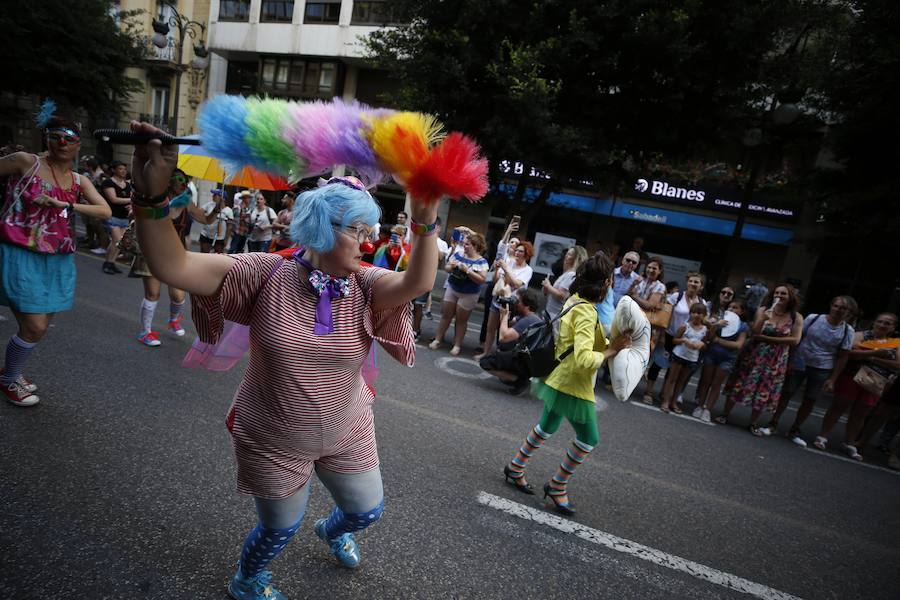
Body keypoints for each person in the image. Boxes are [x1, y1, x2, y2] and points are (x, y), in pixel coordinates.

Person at [128, 120, 440, 600]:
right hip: (273, 434)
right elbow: (174, 266)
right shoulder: (263, 272)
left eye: (369, 231)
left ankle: (334, 531)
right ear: (319, 227)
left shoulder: (365, 284)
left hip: (346, 423)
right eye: (356, 231)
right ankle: (247, 580)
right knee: (279, 528)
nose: (368, 242)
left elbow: (417, 283)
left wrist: (424, 223)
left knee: (366, 511)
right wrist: (149, 199)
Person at [0, 103, 112, 406]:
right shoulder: (26, 162)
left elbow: (105, 209)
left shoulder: (78, 181)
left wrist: (66, 205)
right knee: (34, 326)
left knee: (38, 327)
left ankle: (11, 369)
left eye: (69, 138)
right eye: (55, 135)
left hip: (58, 258)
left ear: (77, 144)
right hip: (19, 251)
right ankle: (9, 380)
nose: (62, 142)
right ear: (46, 138)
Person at [503, 255, 631, 515]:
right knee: (588, 439)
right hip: (574, 383)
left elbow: (577, 344)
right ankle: (557, 486)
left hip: (559, 375)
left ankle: (516, 467)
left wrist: (609, 345)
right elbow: (584, 359)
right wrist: (611, 351)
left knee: (547, 426)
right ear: (606, 283)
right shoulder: (586, 310)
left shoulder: (575, 300)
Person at [767, 295, 856, 446]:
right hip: (800, 361)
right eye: (836, 306)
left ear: (849, 312)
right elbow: (798, 338)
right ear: (831, 306)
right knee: (787, 393)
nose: (838, 310)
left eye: (843, 308)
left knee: (810, 399)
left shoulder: (848, 331)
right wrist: (790, 360)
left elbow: (842, 357)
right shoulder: (814, 319)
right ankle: (773, 423)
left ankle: (795, 429)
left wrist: (833, 378)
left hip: (822, 367)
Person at [717, 284, 803, 435]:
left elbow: (795, 340)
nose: (779, 296)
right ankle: (725, 414)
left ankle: (753, 422)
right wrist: (762, 319)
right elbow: (755, 332)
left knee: (765, 388)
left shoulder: (796, 317)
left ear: (790, 297)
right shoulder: (763, 310)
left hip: (776, 358)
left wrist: (767, 338)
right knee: (740, 381)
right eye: (777, 293)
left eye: (783, 294)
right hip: (754, 354)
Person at [815, 312, 899, 460]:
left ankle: (850, 443)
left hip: (876, 380)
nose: (883, 325)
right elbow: (850, 353)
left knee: (862, 412)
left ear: (893, 327)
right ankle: (823, 436)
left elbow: (898, 364)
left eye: (887, 323)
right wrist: (878, 353)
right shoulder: (860, 335)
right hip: (852, 375)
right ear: (874, 322)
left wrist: (871, 357)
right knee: (839, 405)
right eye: (880, 321)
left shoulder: (895, 343)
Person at [128, 170, 193, 345]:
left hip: (174, 253)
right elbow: (136, 215)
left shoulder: (186, 201)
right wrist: (164, 208)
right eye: (177, 179)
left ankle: (173, 320)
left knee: (178, 295)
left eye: (184, 180)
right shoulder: (155, 198)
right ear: (168, 182)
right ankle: (145, 332)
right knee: (153, 293)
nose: (182, 182)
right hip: (152, 249)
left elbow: (206, 219)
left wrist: (217, 210)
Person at [645, 272, 708, 404]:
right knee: (658, 363)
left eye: (696, 282)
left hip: (685, 340)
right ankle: (649, 392)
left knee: (672, 369)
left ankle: (663, 394)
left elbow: (703, 322)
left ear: (701, 286)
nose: (693, 284)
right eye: (691, 281)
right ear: (687, 282)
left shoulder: (702, 303)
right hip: (669, 334)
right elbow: (665, 314)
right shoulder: (676, 296)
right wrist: (661, 334)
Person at [429, 232, 489, 356]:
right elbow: (446, 268)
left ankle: (457, 345)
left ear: (475, 246)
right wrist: (452, 267)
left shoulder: (482, 262)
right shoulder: (459, 254)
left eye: (467, 244)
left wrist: (467, 270)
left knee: (461, 320)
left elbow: (482, 279)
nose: (464, 246)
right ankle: (438, 339)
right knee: (446, 315)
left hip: (469, 293)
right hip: (453, 287)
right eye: (464, 244)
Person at [476, 241, 534, 360]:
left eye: (521, 251)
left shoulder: (528, 270)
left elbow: (517, 284)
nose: (517, 253)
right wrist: (498, 270)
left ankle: (499, 356)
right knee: (490, 328)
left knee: (504, 332)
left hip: (511, 304)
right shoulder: (509, 262)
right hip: (498, 299)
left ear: (527, 254)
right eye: (517, 250)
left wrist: (506, 269)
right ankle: (486, 352)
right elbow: (495, 279)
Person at [478, 288, 544, 393]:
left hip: (526, 360)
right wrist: (506, 311)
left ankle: (519, 380)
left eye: (518, 301)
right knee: (504, 347)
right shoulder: (532, 317)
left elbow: (503, 337)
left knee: (486, 362)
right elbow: (510, 324)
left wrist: (504, 315)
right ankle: (516, 374)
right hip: (530, 359)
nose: (515, 303)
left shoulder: (528, 320)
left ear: (526, 306)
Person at [692, 300, 748, 422]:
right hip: (711, 354)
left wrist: (718, 341)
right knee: (706, 381)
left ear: (741, 311)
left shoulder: (742, 326)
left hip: (727, 358)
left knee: (716, 384)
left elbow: (738, 345)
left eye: (736, 307)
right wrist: (716, 325)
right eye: (730, 307)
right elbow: (710, 338)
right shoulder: (720, 321)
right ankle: (700, 406)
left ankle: (708, 409)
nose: (732, 309)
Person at [478, 218, 519, 352]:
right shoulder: (503, 257)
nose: (512, 245)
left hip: (507, 295)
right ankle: (484, 346)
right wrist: (508, 231)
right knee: (488, 320)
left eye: (516, 244)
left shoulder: (516, 263)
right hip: (495, 289)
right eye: (511, 242)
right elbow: (502, 245)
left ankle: (499, 350)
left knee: (503, 324)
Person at [661, 303, 708, 414]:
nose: (697, 315)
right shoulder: (684, 326)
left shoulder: (705, 330)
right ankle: (666, 401)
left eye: (700, 313)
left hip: (692, 358)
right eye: (694, 312)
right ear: (690, 313)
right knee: (672, 379)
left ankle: (674, 402)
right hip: (679, 355)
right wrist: (684, 341)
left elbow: (706, 344)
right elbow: (674, 340)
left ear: (704, 315)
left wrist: (701, 344)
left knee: (681, 381)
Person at [412, 217, 449, 339]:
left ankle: (416, 330)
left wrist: (432, 239)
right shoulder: (420, 237)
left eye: (434, 226)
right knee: (406, 304)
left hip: (427, 277)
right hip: (413, 274)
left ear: (438, 227)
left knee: (419, 305)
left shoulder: (442, 243)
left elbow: (439, 258)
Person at [99, 160, 133, 274]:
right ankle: (107, 264)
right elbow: (113, 199)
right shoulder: (108, 182)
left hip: (124, 217)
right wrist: (131, 200)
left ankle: (110, 263)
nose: (123, 171)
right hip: (111, 215)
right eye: (120, 169)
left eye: (124, 169)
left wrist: (131, 206)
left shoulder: (127, 185)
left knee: (118, 242)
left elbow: (131, 199)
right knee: (117, 240)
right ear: (113, 170)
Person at [542, 245, 588, 320]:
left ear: (575, 259)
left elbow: (562, 295)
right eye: (567, 253)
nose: (566, 256)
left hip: (555, 315)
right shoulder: (567, 273)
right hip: (550, 313)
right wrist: (546, 289)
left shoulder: (571, 275)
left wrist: (548, 286)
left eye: (569, 254)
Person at [79, 155, 110, 255]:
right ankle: (91, 241)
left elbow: (105, 192)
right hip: (88, 205)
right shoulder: (90, 175)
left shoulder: (101, 176)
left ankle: (103, 246)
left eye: (85, 165)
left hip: (97, 206)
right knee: (91, 225)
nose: (84, 166)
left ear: (90, 166)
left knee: (99, 227)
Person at [196, 189, 233, 254]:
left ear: (223, 198)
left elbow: (229, 227)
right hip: (206, 235)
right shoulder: (209, 205)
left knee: (217, 256)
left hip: (219, 238)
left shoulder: (228, 211)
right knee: (204, 254)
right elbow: (199, 212)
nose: (213, 196)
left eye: (215, 195)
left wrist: (226, 239)